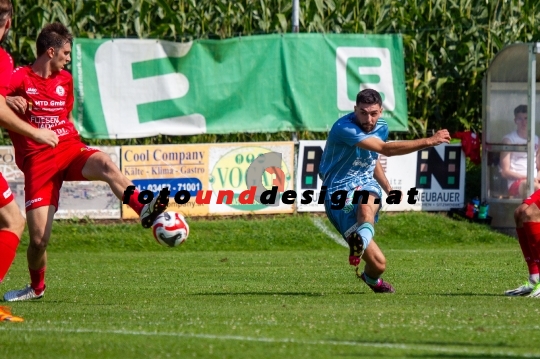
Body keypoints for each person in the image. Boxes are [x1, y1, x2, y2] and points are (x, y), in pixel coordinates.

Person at [2, 22, 169, 302]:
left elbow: (64, 118)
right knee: (39, 240)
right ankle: (36, 288)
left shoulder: (65, 81)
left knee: (105, 164)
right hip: (38, 163)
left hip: (68, 147)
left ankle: (144, 208)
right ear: (51, 51)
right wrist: (8, 100)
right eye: (66, 53)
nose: (69, 58)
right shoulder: (19, 77)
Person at [318, 89, 450, 293]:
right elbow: (385, 149)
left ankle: (359, 242)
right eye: (363, 112)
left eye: (373, 113)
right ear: (355, 110)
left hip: (365, 183)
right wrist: (430, 141)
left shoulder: (381, 127)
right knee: (379, 265)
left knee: (365, 206)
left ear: (380, 111)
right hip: (338, 192)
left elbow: (373, 156)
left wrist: (388, 188)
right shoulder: (344, 127)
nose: (368, 119)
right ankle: (372, 280)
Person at [0, 0, 59, 320]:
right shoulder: (2, 59)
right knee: (13, 221)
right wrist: (35, 133)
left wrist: (6, 99)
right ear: (8, 24)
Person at [499, 104, 540, 197]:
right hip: (516, 183)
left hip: (535, 181)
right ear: (515, 121)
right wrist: (528, 178)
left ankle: (529, 210)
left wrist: (537, 177)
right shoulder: (508, 140)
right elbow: (504, 172)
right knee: (534, 188)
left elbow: (539, 167)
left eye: (526, 118)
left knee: (536, 187)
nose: (523, 122)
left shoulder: (537, 140)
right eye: (520, 119)